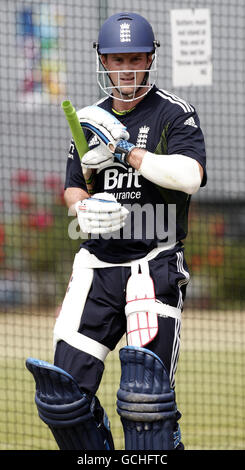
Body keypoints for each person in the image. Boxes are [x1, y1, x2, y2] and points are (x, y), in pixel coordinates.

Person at [26, 12, 207, 451]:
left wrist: (126, 151)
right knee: (63, 399)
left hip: (154, 265)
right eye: (115, 59)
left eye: (134, 58)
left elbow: (190, 176)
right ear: (102, 62)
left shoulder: (173, 113)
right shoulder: (89, 120)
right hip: (96, 268)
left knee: (147, 404)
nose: (125, 68)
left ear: (149, 59)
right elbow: (73, 186)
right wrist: (82, 207)